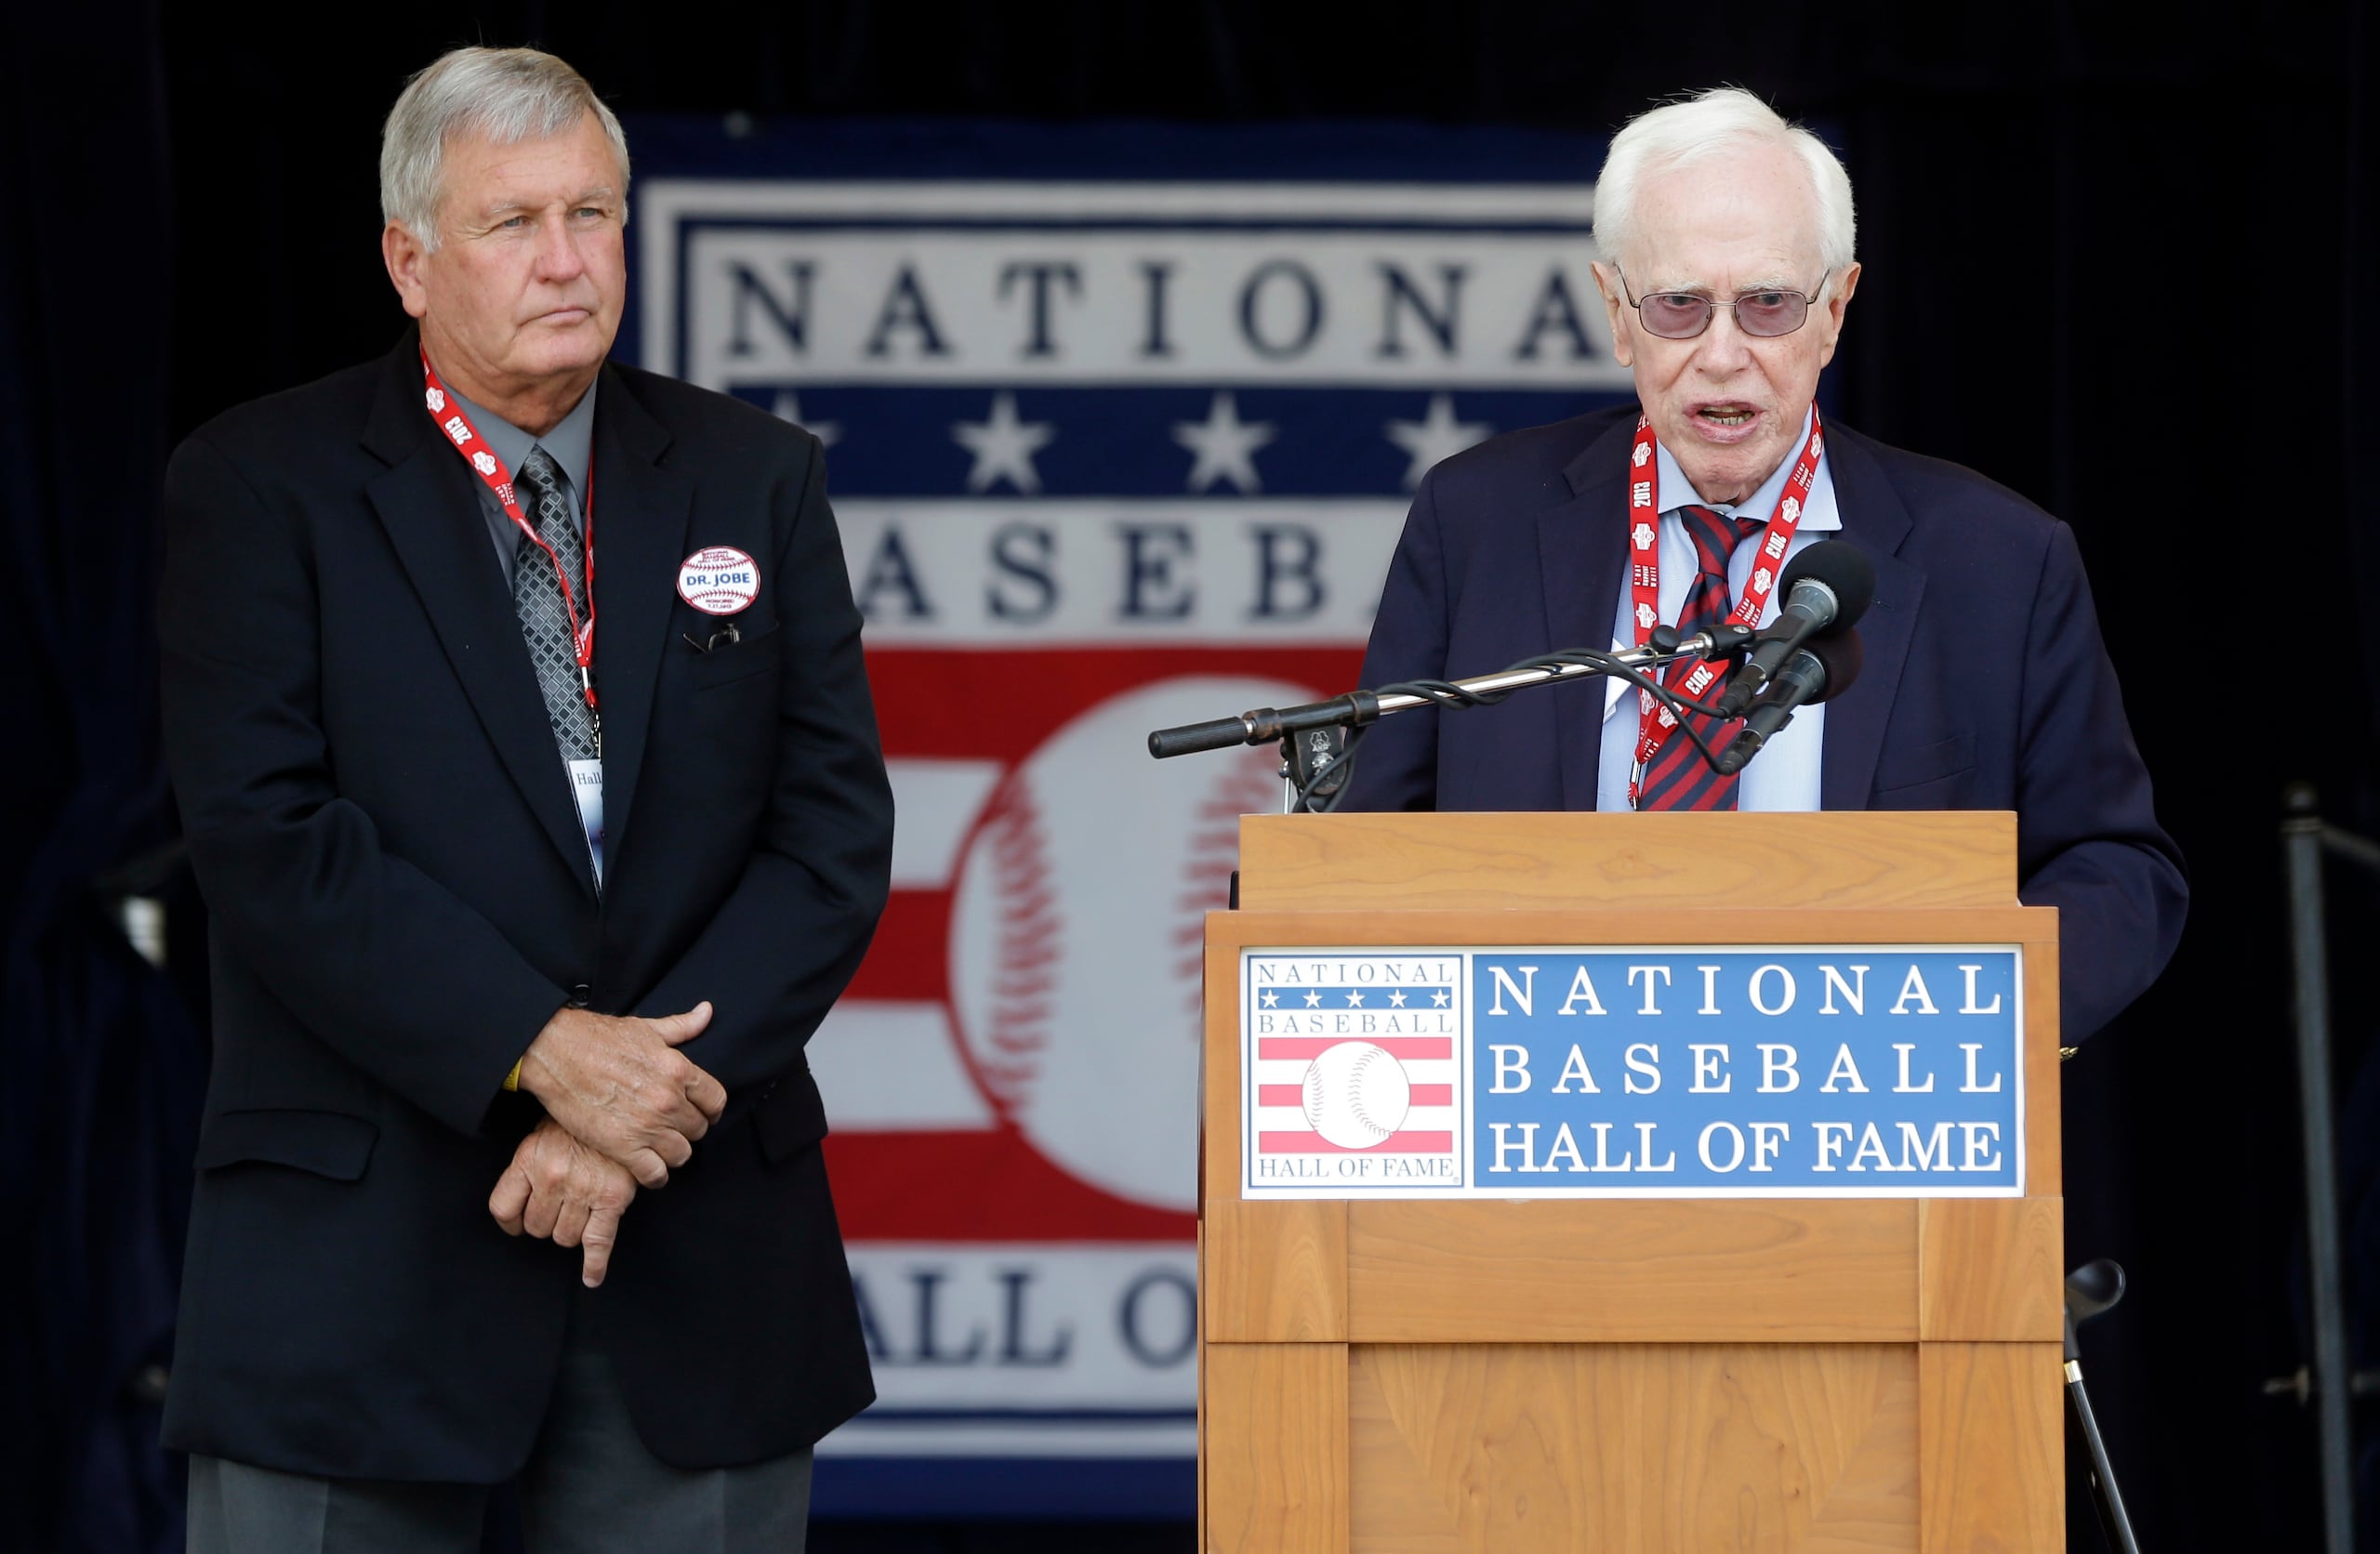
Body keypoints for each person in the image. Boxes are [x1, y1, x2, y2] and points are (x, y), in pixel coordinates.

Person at [156, 46, 892, 1552]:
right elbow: (267, 835)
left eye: (592, 213)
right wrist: (542, 1050)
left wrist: (625, 1118)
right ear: (408, 261)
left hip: (692, 1255)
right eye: (513, 222)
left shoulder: (755, 477)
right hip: (357, 1263)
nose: (567, 260)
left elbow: (829, 838)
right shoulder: (261, 483)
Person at [1342, 87, 2185, 1041]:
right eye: (1678, 305)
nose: (1722, 355)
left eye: (1768, 304)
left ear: (1835, 310)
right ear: (1615, 312)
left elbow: (2115, 869)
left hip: (1855, 1098)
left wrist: (1965, 1028)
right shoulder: (1476, 522)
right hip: (1537, 1088)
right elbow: (1366, 847)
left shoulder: (1997, 560)